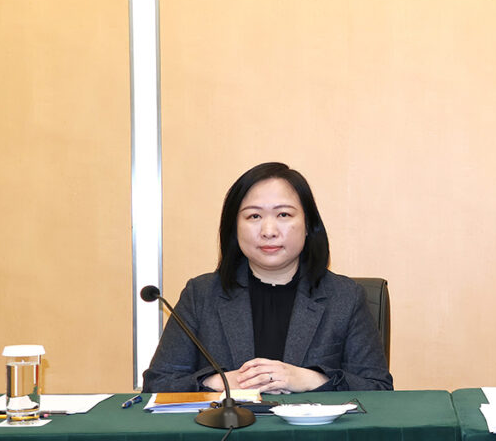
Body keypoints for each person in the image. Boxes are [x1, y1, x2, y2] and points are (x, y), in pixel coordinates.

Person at [142, 162, 393, 394]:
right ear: (234, 228)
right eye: (254, 216)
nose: (269, 231)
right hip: (227, 429)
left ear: (308, 225)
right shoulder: (201, 295)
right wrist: (218, 382)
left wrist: (311, 380)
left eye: (283, 215)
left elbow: (379, 389)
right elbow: (156, 385)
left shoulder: (345, 297)